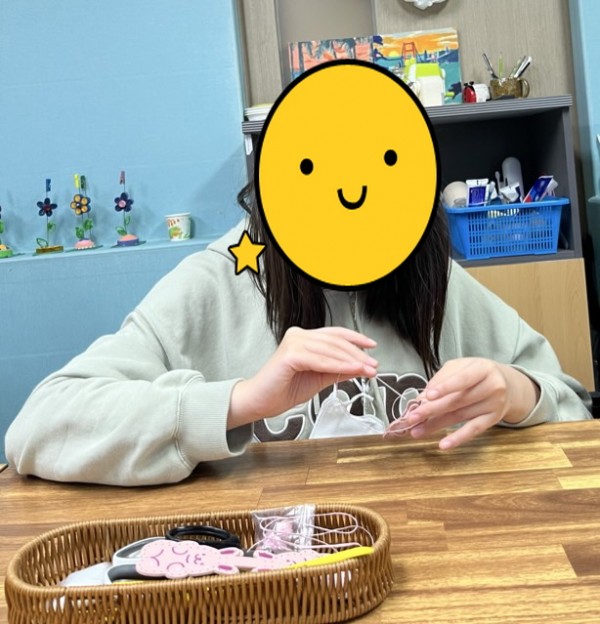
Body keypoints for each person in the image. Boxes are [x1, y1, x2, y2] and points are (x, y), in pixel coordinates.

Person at [5, 184, 592, 486]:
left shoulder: (427, 277)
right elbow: (39, 427)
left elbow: (571, 406)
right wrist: (240, 402)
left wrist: (514, 392)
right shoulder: (221, 278)